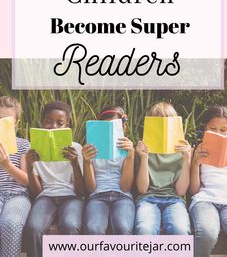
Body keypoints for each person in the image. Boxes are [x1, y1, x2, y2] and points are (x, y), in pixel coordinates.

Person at [25, 101, 84, 257]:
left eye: (60, 123)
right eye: (49, 122)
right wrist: (30, 167)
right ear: (42, 123)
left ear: (67, 125)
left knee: (71, 225)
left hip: (71, 197)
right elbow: (37, 192)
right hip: (46, 197)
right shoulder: (33, 150)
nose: (54, 126)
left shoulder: (76, 148)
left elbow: (80, 192)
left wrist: (74, 164)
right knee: (34, 227)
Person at [134, 101, 191, 235]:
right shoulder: (143, 150)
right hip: (147, 199)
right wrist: (144, 157)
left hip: (174, 200)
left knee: (181, 230)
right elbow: (142, 189)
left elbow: (181, 190)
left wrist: (186, 159)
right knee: (144, 229)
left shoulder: (182, 150)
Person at [189, 105, 227, 257]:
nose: (218, 133)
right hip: (205, 200)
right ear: (205, 128)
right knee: (206, 233)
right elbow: (194, 190)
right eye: (213, 129)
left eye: (223, 130)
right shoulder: (198, 149)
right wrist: (195, 163)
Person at [83, 105, 135, 234]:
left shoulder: (127, 150)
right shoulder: (92, 149)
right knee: (93, 229)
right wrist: (87, 162)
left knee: (123, 227)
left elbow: (125, 187)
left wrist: (130, 156)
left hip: (122, 196)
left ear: (124, 128)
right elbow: (91, 188)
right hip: (97, 196)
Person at [0, 96, 31, 257]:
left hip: (17, 195)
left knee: (11, 223)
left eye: (6, 122)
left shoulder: (23, 144)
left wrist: (7, 166)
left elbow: (27, 181)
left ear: (16, 123)